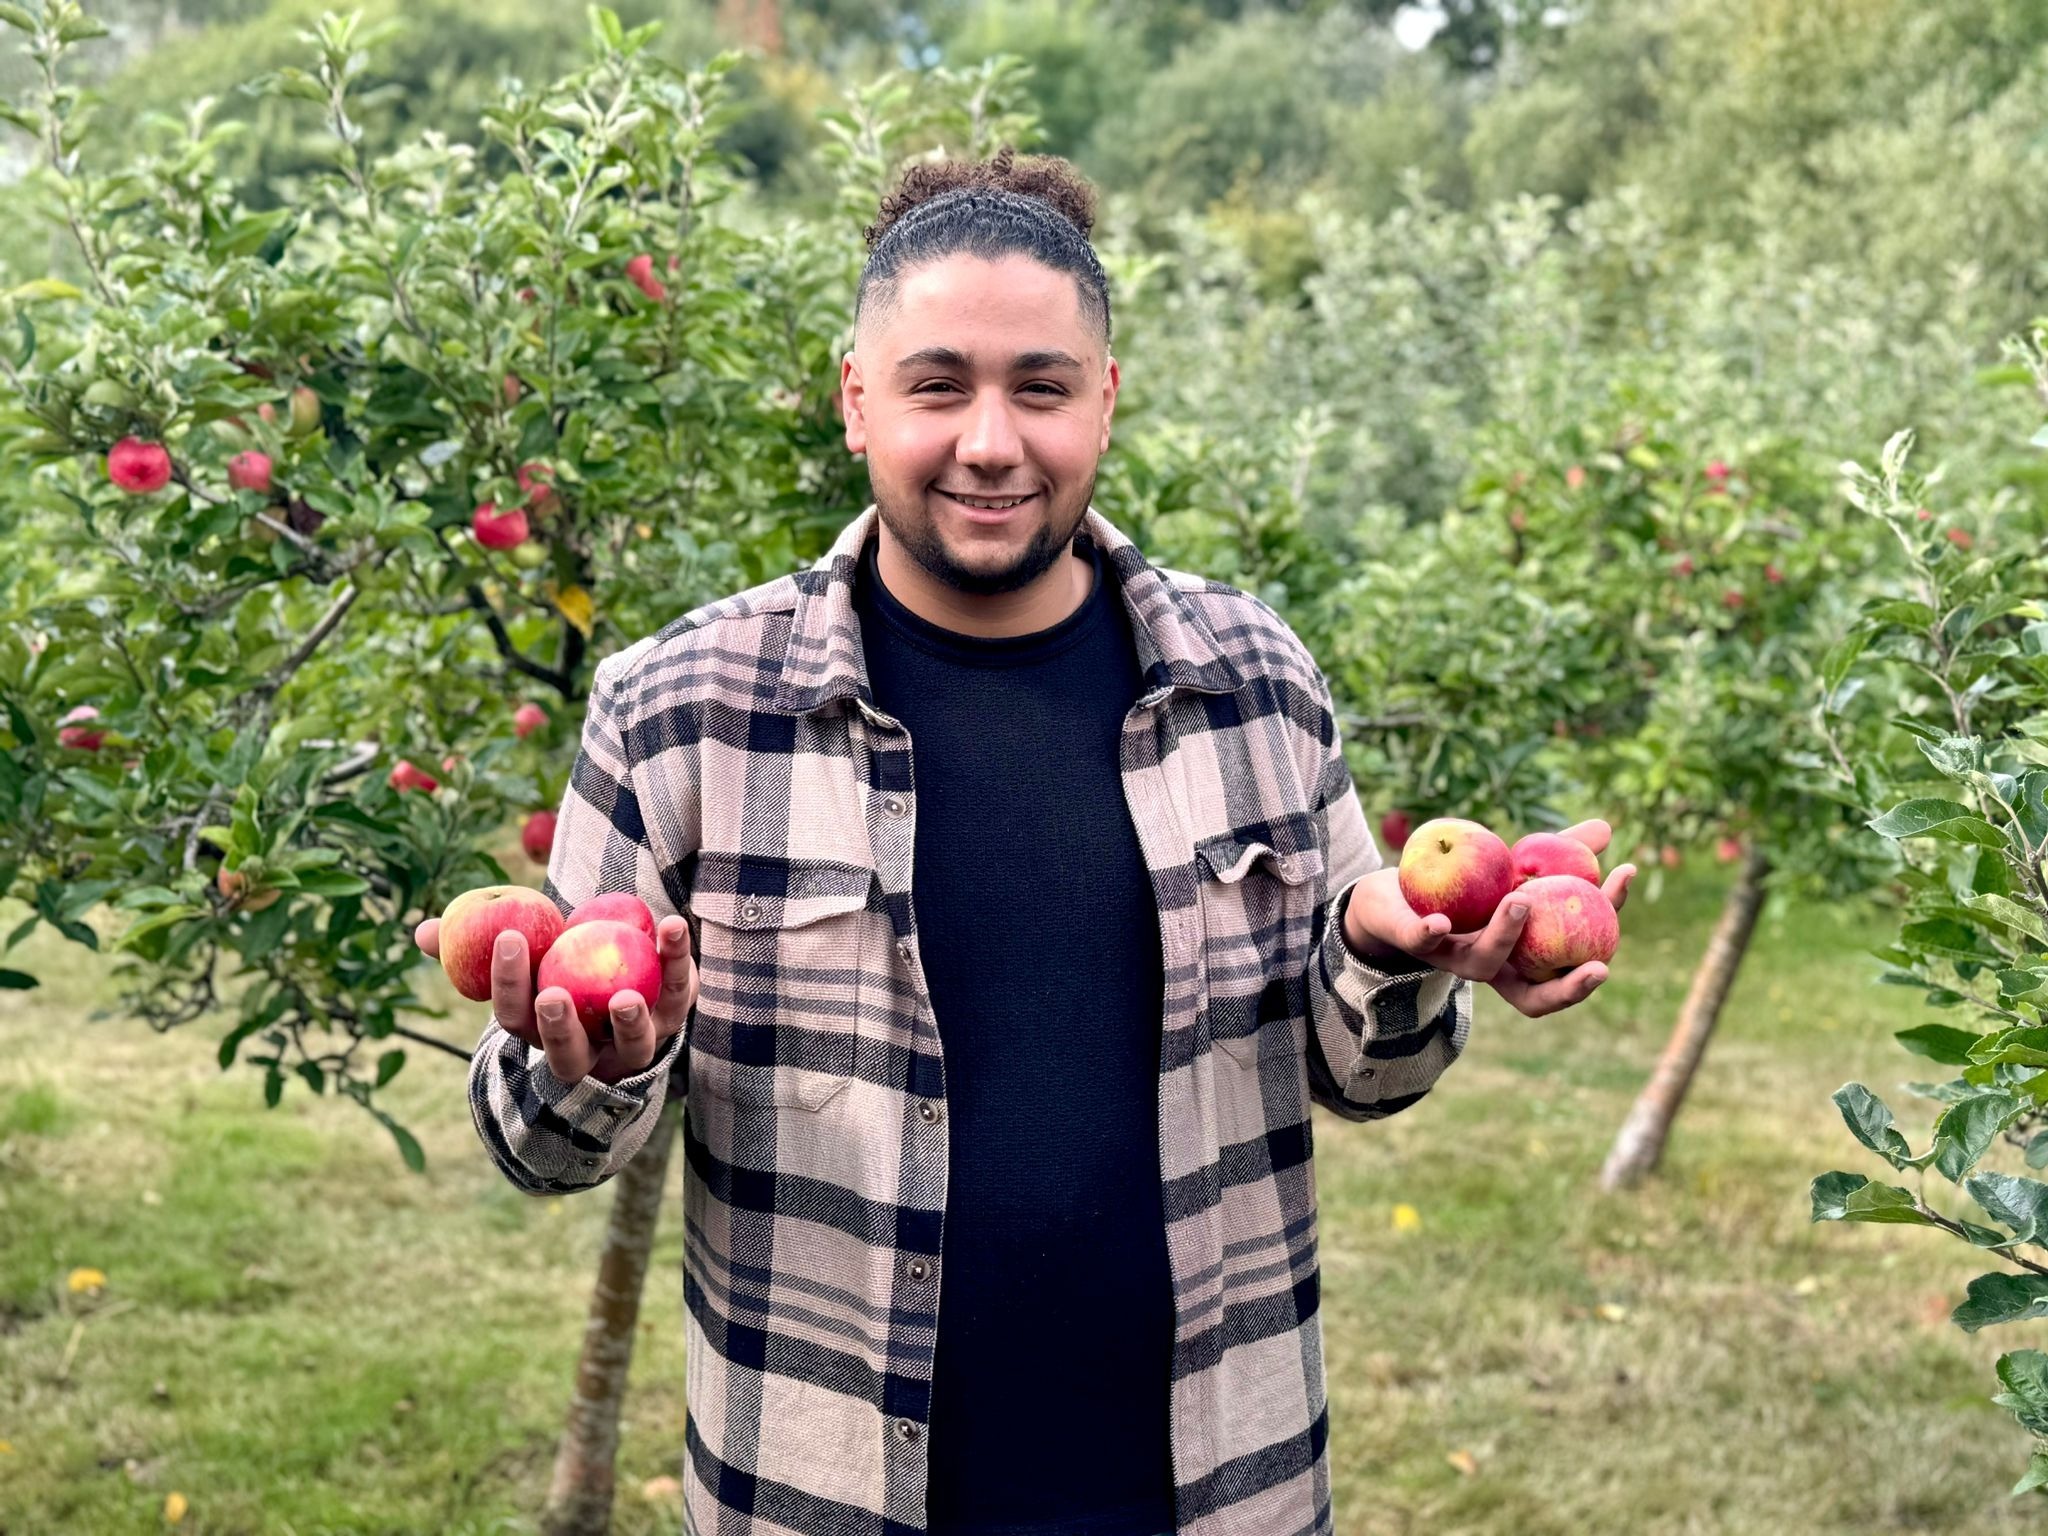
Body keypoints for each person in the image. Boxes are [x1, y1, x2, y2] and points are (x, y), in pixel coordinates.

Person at [416, 146, 1633, 1536]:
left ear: (1104, 403)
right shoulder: (681, 709)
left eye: (1039, 388)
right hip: (820, 1495)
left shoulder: (1255, 683)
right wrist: (593, 1070)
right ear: (856, 399)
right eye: (939, 386)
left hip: (1211, 1488)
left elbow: (1368, 1074)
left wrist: (1388, 954)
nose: (990, 441)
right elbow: (538, 1148)